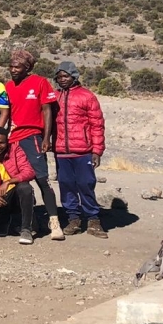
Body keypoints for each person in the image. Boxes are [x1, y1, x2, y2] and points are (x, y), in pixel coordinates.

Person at [6, 49, 64, 241]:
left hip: (33, 137)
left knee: (42, 179)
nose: (13, 70)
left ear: (27, 67)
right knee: (21, 182)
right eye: (11, 66)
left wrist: (46, 137)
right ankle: (28, 223)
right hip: (14, 138)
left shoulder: (39, 82)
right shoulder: (8, 86)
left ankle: (54, 221)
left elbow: (48, 111)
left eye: (18, 66)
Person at [52, 61, 108, 237]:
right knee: (66, 185)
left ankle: (93, 220)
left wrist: (97, 151)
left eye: (66, 76)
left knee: (86, 184)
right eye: (59, 77)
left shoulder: (87, 96)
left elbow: (97, 124)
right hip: (61, 150)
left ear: (74, 76)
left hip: (83, 151)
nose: (62, 80)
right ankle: (73, 219)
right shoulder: (54, 97)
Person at [0, 126, 38, 243]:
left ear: (7, 142)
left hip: (15, 192)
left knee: (25, 187)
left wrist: (9, 181)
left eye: (1, 143)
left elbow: (29, 172)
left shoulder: (15, 150)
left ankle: (26, 229)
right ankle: (9, 220)